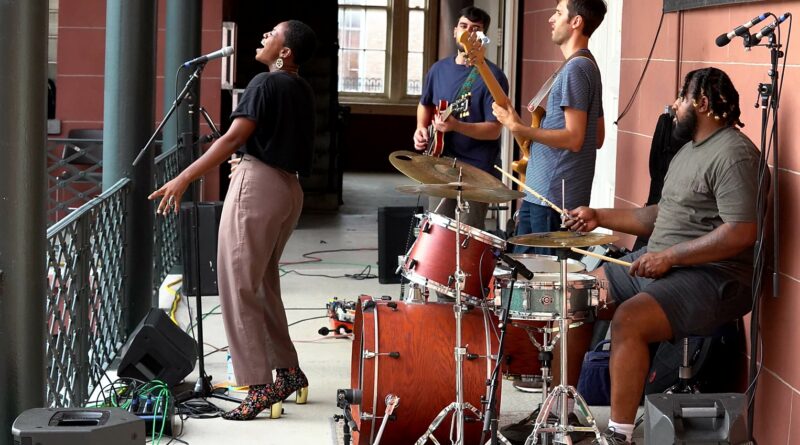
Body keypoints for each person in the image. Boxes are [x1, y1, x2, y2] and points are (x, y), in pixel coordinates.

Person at [566, 67, 760, 445]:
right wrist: (598, 216)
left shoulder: (735, 155)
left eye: (682, 97)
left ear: (701, 103)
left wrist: (670, 257)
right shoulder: (688, 151)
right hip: (664, 263)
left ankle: (619, 436)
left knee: (629, 319)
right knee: (575, 293)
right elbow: (656, 215)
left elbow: (741, 231)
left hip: (714, 277)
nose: (674, 105)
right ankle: (565, 413)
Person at [150, 20, 317, 421]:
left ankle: (258, 387)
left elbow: (231, 139)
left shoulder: (264, 82)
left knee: (237, 284)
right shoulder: (302, 88)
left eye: (271, 34)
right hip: (288, 190)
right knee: (261, 284)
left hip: (258, 186)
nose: (263, 37)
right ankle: (288, 372)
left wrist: (183, 177)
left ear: (285, 52)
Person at [493, 0, 606, 254]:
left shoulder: (575, 69)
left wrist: (519, 128)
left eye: (558, 13)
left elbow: (575, 138)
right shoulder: (585, 65)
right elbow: (596, 136)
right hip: (549, 193)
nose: (551, 19)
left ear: (576, 22)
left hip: (551, 198)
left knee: (542, 284)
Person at [413, 6, 509, 231]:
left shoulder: (493, 77)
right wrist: (420, 128)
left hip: (477, 168)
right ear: (455, 31)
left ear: (483, 37)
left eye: (475, 29)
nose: (468, 33)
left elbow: (494, 130)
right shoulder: (438, 70)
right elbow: (425, 103)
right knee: (436, 230)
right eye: (464, 27)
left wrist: (456, 125)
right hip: (441, 163)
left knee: (467, 234)